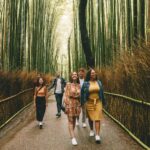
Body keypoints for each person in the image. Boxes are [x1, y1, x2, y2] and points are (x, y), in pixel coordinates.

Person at [81, 69, 106, 144]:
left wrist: (103, 102)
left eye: (94, 73)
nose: (93, 74)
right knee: (91, 118)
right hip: (89, 102)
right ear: (89, 74)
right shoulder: (86, 83)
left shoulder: (99, 82)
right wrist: (82, 103)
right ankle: (92, 130)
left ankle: (97, 135)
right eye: (92, 73)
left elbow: (102, 92)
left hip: (98, 102)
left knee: (98, 118)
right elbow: (82, 94)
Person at [64, 72, 81, 146]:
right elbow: (66, 96)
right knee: (70, 120)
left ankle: (72, 133)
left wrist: (80, 105)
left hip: (77, 104)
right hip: (70, 104)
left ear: (77, 77)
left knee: (74, 120)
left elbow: (80, 96)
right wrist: (67, 105)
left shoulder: (79, 85)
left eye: (76, 75)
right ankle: (73, 138)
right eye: (73, 75)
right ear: (71, 76)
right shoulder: (68, 84)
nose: (74, 76)